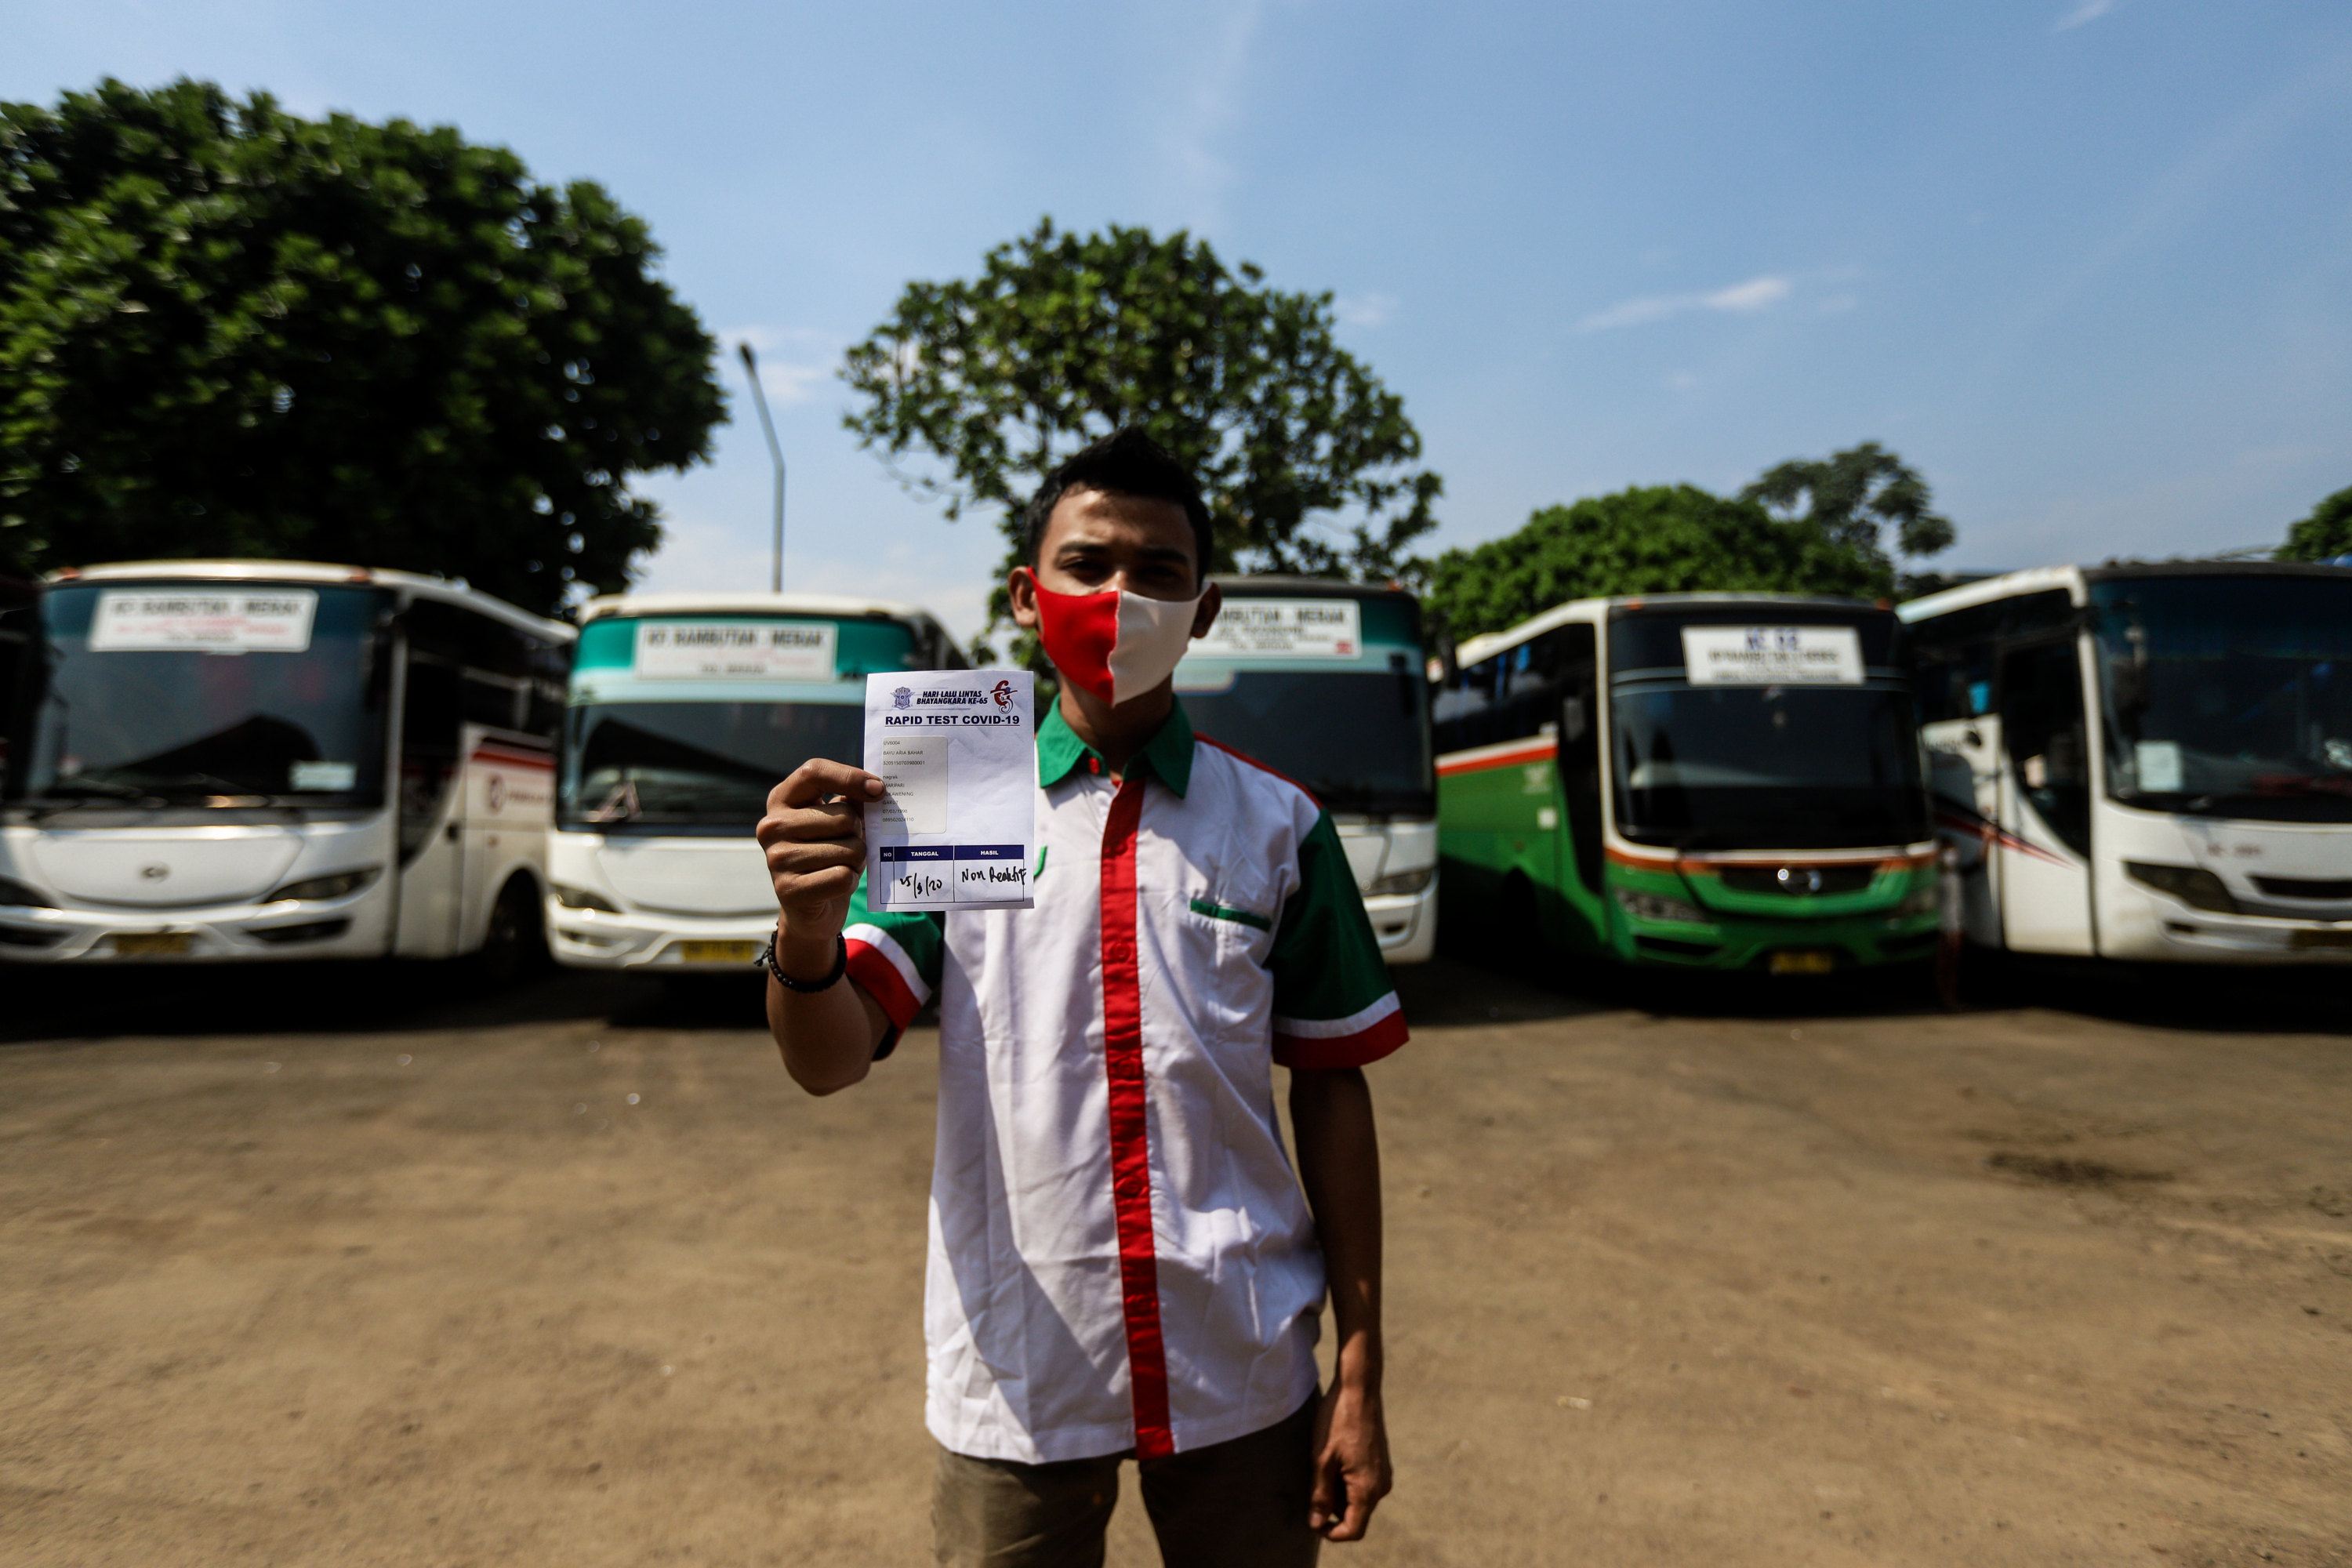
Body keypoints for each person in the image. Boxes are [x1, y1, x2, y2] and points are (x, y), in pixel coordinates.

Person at [756, 428, 1404, 1566]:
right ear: (1026, 594)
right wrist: (806, 932)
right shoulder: (955, 794)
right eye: (1088, 564)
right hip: (1018, 1369)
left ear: (1204, 611)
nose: (1120, 598)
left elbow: (1333, 1088)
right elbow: (827, 1057)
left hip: (1241, 1362)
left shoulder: (1280, 827)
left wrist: (1360, 1368)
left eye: (1159, 573)